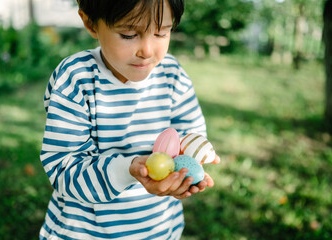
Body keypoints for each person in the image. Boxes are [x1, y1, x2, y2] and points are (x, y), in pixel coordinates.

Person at [39, 0, 220, 239]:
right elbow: (64, 169)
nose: (146, 50)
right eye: (129, 34)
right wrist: (129, 169)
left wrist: (189, 166)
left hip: (158, 229)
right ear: (90, 23)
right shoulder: (76, 79)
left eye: (161, 32)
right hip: (84, 231)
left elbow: (190, 137)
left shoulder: (173, 76)